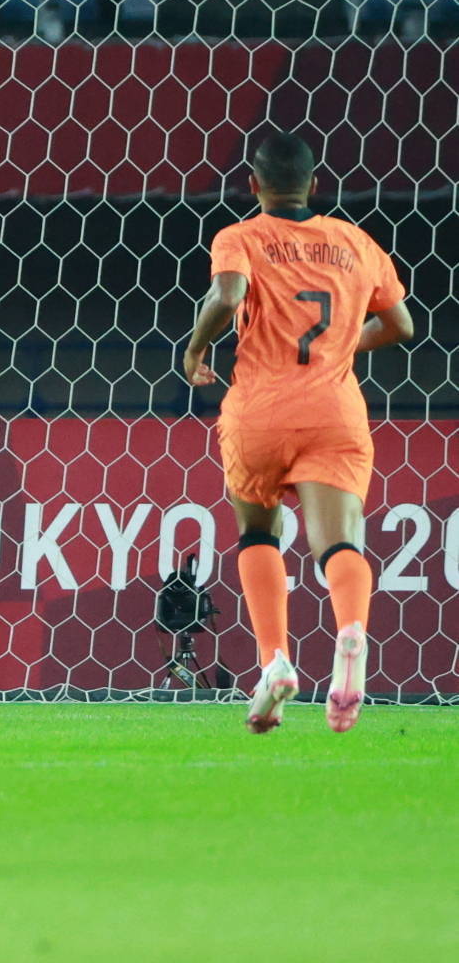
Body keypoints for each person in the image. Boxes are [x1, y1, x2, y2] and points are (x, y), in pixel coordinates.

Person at [182, 130, 415, 735]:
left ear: (253, 185)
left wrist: (197, 345)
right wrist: (344, 345)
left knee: (257, 532)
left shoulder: (242, 236)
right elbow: (401, 323)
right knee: (339, 545)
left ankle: (275, 661)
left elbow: (227, 293)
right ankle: (352, 633)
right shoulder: (355, 242)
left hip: (259, 409)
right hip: (333, 412)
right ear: (315, 185)